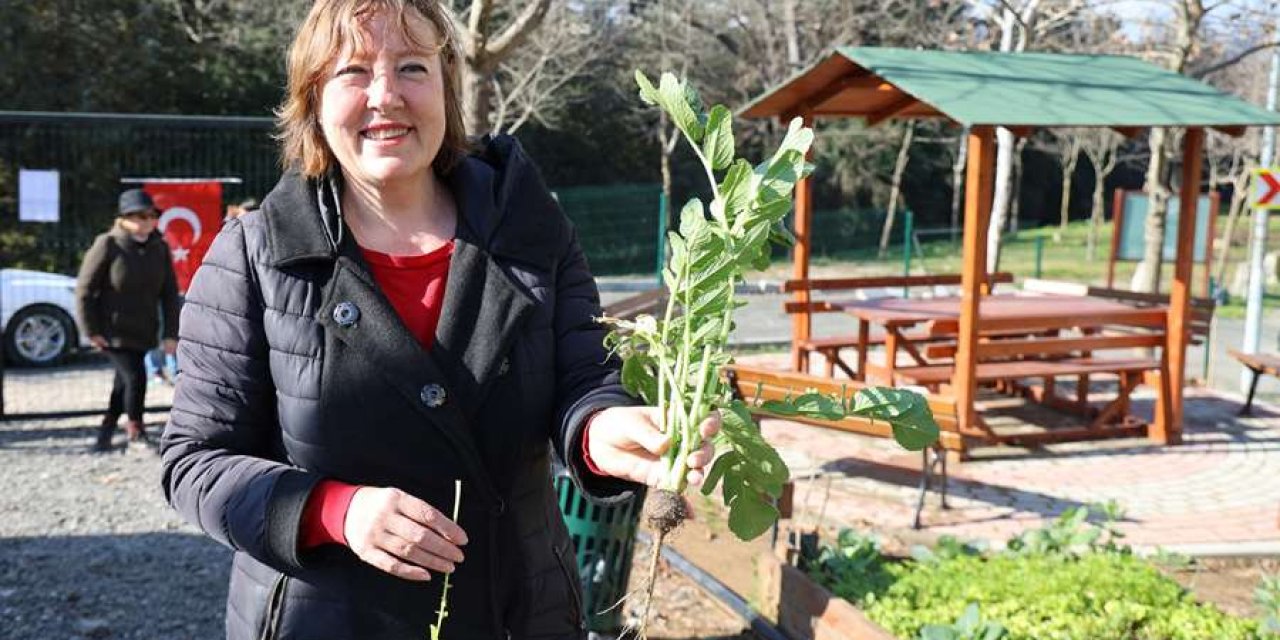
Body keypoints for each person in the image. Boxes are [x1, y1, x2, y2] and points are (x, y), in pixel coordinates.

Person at [159, 1, 718, 638]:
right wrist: (334, 510)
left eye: (412, 67)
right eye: (353, 72)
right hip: (328, 619)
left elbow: (586, 376)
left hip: (517, 611)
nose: (386, 95)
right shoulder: (254, 256)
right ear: (312, 99)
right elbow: (194, 463)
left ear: (447, 87)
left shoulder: (531, 230)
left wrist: (601, 429)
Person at [76, 188, 180, 452]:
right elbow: (85, 290)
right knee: (136, 377)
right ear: (123, 218)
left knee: (122, 383)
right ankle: (136, 429)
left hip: (143, 330)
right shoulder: (108, 244)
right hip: (112, 331)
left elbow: (169, 294)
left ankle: (106, 429)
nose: (145, 222)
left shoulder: (160, 247)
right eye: (138, 216)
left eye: (150, 216)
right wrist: (92, 330)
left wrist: (171, 333)